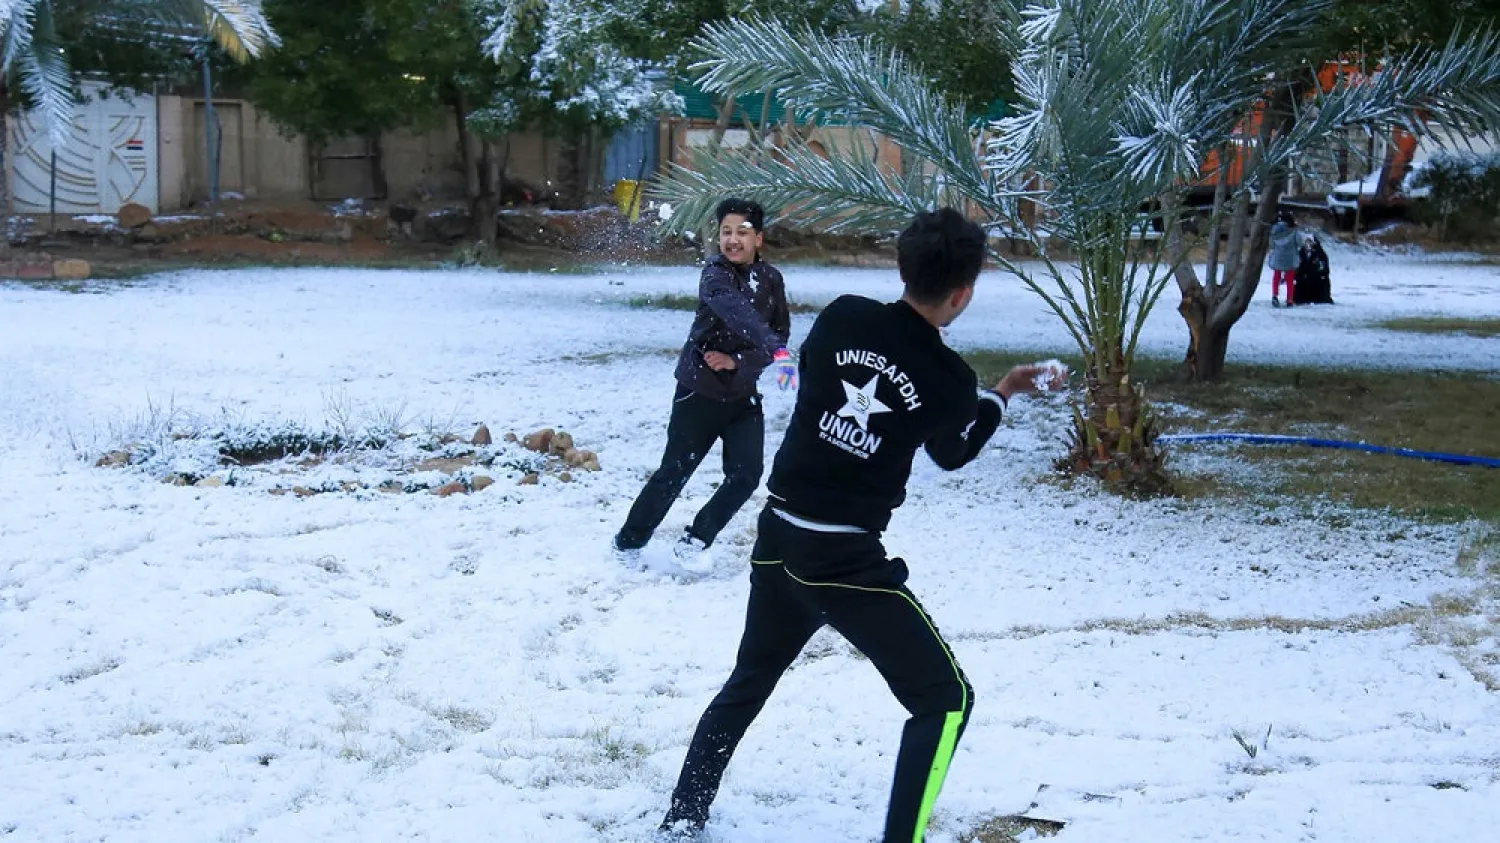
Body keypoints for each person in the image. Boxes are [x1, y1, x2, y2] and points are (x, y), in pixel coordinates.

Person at [655, 208, 1058, 843]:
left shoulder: (843, 316)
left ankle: (682, 818)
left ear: (902, 267)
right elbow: (953, 452)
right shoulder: (951, 382)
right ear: (963, 293)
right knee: (945, 700)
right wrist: (1000, 394)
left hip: (778, 535)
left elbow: (821, 378)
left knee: (750, 679)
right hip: (842, 560)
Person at [614, 198, 796, 562]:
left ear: (758, 238)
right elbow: (737, 312)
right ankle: (628, 544)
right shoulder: (714, 274)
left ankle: (695, 542)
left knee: (746, 476)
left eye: (742, 232)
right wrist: (775, 349)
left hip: (742, 395)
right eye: (726, 232)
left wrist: (738, 361)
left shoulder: (771, 279)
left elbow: (780, 332)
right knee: (674, 471)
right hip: (698, 392)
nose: (732, 240)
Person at [1268, 209, 1300, 307]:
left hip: (1278, 256)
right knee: (1290, 278)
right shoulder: (1294, 230)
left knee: (1276, 276)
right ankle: (1290, 299)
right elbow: (1299, 242)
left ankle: (1275, 295)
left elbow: (1271, 244)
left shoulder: (1274, 229)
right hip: (1290, 258)